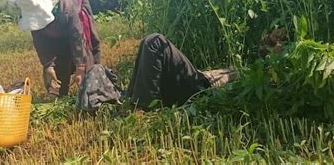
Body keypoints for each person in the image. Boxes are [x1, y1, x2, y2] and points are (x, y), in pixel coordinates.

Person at [77, 33, 237, 111]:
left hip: (186, 82)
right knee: (154, 41)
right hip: (191, 88)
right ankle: (145, 107)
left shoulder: (123, 94)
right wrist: (142, 106)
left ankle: (234, 71)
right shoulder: (122, 98)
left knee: (218, 74)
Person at [15, 0, 101, 96]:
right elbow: (40, 42)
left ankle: (93, 87)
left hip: (76, 1)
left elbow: (77, 37)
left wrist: (80, 67)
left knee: (86, 49)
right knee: (59, 50)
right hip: (61, 18)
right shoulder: (32, 11)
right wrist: (48, 65)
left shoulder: (66, 7)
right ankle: (60, 93)